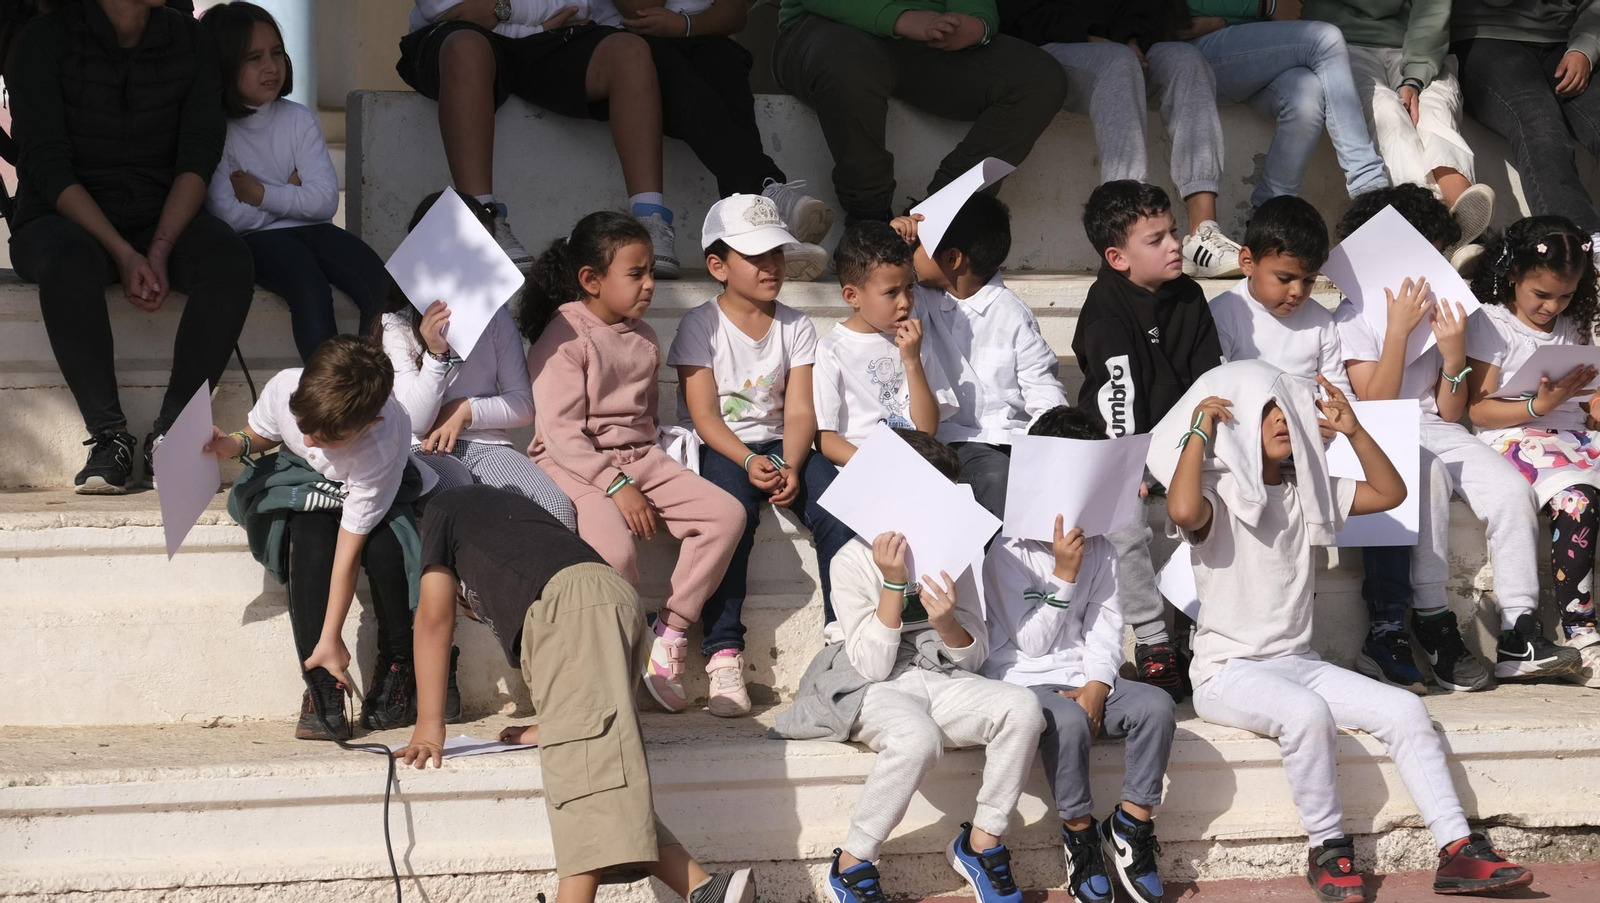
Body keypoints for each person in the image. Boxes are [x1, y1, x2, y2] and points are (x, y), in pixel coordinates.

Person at [1151, 360, 1535, 903]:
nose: (1284, 421)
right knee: (1307, 716)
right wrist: (1199, 431)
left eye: (1290, 411)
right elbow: (1182, 507)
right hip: (1227, 673)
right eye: (1268, 413)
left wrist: (1354, 429)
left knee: (1405, 710)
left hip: (1298, 664)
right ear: (1240, 429)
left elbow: (1390, 492)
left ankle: (1458, 851)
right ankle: (1328, 849)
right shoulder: (1219, 492)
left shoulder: (1307, 490)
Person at [398, 484, 757, 903]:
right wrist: (551, 726)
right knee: (603, 774)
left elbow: (433, 620)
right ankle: (706, 892)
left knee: (582, 786)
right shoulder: (505, 519)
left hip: (574, 609)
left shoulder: (444, 507)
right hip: (605, 599)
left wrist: (428, 727)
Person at [773, 429, 1044, 903]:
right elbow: (872, 666)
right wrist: (893, 586)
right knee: (916, 739)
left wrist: (947, 625)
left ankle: (982, 842)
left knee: (1022, 707)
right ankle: (854, 860)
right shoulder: (852, 559)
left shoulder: (953, 555)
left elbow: (974, 655)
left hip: (939, 675)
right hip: (869, 683)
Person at [1334, 186, 1579, 690]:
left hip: (1438, 427)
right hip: (1376, 431)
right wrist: (1399, 332)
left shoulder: (1445, 308)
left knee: (1513, 490)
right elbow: (1377, 405)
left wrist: (1450, 357)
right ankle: (1431, 617)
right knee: (1427, 481)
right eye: (1429, 251)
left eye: (1442, 254)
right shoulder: (1351, 315)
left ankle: (1520, 629)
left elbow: (1449, 409)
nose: (1437, 264)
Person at [10, 0, 256, 494]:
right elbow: (46, 161)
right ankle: (109, 439)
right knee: (67, 261)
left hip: (162, 214)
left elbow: (199, 149)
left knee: (228, 260)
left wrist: (161, 245)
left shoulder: (191, 40)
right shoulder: (43, 39)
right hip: (63, 216)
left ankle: (173, 434)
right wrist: (123, 253)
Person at [399, 0, 830, 279]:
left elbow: (579, 3)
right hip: (467, 41)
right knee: (466, 47)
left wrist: (506, 12)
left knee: (642, 53)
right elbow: (447, 8)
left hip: (556, 33)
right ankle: (483, 218)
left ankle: (651, 220)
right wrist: (521, 16)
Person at [1209, 194, 1437, 695]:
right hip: (1249, 449)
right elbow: (1222, 394)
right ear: (1247, 261)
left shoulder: (1322, 320)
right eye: (1284, 278)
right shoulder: (1225, 312)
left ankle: (1387, 626)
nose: (1297, 292)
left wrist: (1330, 419)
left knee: (1391, 443)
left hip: (1310, 441)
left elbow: (1333, 387)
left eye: (1308, 280)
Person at [523, 210, 745, 715]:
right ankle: (610, 666)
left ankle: (668, 631)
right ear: (590, 280)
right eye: (636, 273)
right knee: (617, 554)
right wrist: (617, 484)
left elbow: (642, 419)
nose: (649, 284)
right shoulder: (562, 337)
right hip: (575, 465)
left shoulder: (644, 335)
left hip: (641, 458)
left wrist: (645, 471)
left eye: (650, 271)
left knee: (725, 515)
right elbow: (560, 435)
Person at [668, 194, 853, 712]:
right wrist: (749, 462)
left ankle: (843, 636)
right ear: (718, 266)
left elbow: (799, 413)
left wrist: (791, 464)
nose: (771, 266)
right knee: (733, 519)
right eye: (756, 257)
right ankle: (723, 654)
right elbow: (704, 416)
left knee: (838, 506)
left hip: (780, 444)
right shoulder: (698, 325)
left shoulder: (795, 326)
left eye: (776, 254)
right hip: (721, 446)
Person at [983, 405, 1175, 903]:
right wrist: (1065, 576)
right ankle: (1080, 832)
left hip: (1084, 676)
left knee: (1156, 706)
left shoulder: (1104, 548)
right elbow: (1030, 643)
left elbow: (1107, 628)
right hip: (1022, 678)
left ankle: (1131, 827)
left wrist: (1099, 685)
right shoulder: (1007, 550)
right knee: (1066, 721)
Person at [207, 336, 442, 740]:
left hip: (373, 484)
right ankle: (320, 678)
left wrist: (334, 635)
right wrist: (232, 445)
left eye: (327, 435)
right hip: (305, 481)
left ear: (370, 423)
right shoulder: (287, 387)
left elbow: (348, 553)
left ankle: (398, 662)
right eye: (305, 428)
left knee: (389, 548)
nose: (311, 440)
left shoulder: (381, 444)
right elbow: (262, 431)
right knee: (309, 536)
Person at [1073, 179, 1222, 702]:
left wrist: (1194, 448)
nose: (1175, 244)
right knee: (1123, 517)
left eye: (1173, 232)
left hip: (1186, 441)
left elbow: (1209, 384)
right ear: (1118, 257)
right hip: (1120, 446)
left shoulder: (1190, 296)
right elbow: (1118, 398)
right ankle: (1155, 641)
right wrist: (1131, 466)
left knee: (1225, 501)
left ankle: (1212, 634)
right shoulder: (1105, 306)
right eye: (1156, 239)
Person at [999, 0, 1246, 278]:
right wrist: (1096, 38)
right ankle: (1128, 232)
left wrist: (1134, 37)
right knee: (1118, 60)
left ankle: (1203, 234)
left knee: (1184, 60)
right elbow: (1017, 13)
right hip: (1049, 44)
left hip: (1124, 46)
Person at [200, 2, 389, 364]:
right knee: (310, 288)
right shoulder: (215, 129)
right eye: (253, 57)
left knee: (379, 284)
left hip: (314, 229)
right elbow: (228, 217)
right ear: (223, 64)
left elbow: (324, 202)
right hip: (258, 243)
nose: (271, 66)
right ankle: (332, 397)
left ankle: (371, 383)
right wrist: (292, 194)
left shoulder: (298, 119)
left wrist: (261, 194)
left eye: (276, 53)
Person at [378, 191, 577, 532]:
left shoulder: (497, 320)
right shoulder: (396, 326)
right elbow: (415, 422)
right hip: (424, 451)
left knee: (557, 508)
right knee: (467, 508)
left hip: (487, 445)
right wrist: (437, 354)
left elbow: (524, 404)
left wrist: (467, 410)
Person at [771, 0, 1068, 225]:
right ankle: (869, 221)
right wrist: (900, 18)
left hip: (925, 38)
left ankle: (939, 218)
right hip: (828, 29)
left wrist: (977, 24)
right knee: (846, 64)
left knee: (1038, 79)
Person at [1463, 216, 1600, 686]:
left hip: (1575, 436)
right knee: (1577, 499)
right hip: (1516, 438)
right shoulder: (1491, 324)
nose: (1552, 306)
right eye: (1541, 295)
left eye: (1565, 296)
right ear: (1514, 275)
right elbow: (1478, 410)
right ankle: (1582, 634)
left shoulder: (1574, 324)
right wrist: (1541, 404)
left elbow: (1585, 391)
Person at [898, 193, 1069, 520]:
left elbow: (1043, 388)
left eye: (916, 246)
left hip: (1000, 441)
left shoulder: (1011, 314)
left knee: (1004, 477)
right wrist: (892, 241)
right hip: (941, 439)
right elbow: (875, 282)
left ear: (952, 258)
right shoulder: (916, 298)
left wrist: (1049, 447)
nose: (911, 254)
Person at [1303, 0, 1496, 267]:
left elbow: (1432, 12)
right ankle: (1453, 234)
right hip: (1340, 47)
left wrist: (1415, 78)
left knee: (1435, 107)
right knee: (1387, 113)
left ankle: (1454, 228)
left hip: (1420, 47)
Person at [1176, 1, 1391, 213]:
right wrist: (1266, 6)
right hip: (1195, 51)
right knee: (1326, 38)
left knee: (1308, 93)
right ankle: (1369, 191)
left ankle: (1267, 214)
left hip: (1252, 47)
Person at [1451, 0, 1600, 272]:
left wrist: (1586, 47)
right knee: (1538, 121)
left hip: (1567, 39)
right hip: (1483, 36)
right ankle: (1583, 247)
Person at [814, 219, 957, 466]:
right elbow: (826, 438)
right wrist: (875, 466)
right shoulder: (831, 351)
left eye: (909, 287)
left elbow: (927, 428)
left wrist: (912, 361)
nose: (905, 302)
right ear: (852, 296)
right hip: (862, 468)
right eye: (891, 292)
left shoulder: (914, 342)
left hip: (914, 463)